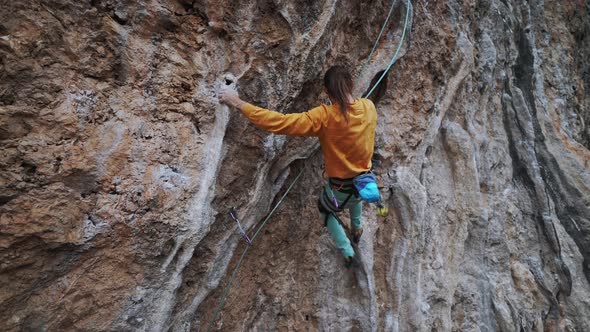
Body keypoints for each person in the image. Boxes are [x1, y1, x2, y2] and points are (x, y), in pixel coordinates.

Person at [218, 65, 377, 265]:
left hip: (339, 189)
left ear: (327, 92)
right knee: (358, 196)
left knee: (325, 208)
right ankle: (357, 229)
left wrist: (238, 102)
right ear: (351, 85)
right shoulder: (369, 107)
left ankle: (348, 252)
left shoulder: (324, 116)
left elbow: (280, 123)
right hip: (365, 180)